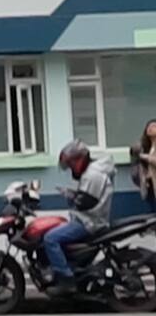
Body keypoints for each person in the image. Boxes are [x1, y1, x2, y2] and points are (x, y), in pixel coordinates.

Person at [44, 139, 115, 293]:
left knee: (50, 239)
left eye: (71, 164)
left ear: (80, 159)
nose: (71, 169)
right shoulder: (93, 173)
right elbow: (87, 197)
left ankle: (66, 279)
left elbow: (86, 202)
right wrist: (73, 194)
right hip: (89, 219)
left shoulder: (92, 175)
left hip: (89, 222)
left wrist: (72, 197)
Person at [131, 120, 156, 212]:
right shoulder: (145, 146)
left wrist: (144, 157)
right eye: (148, 126)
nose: (150, 128)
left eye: (154, 126)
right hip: (149, 185)